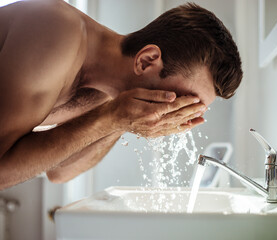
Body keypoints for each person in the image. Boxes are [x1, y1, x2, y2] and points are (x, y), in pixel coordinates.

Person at [0, 0, 242, 190]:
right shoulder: (54, 32)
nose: (176, 113)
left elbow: (60, 171)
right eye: (179, 99)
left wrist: (119, 122)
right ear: (147, 61)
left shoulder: (111, 95)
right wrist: (111, 118)